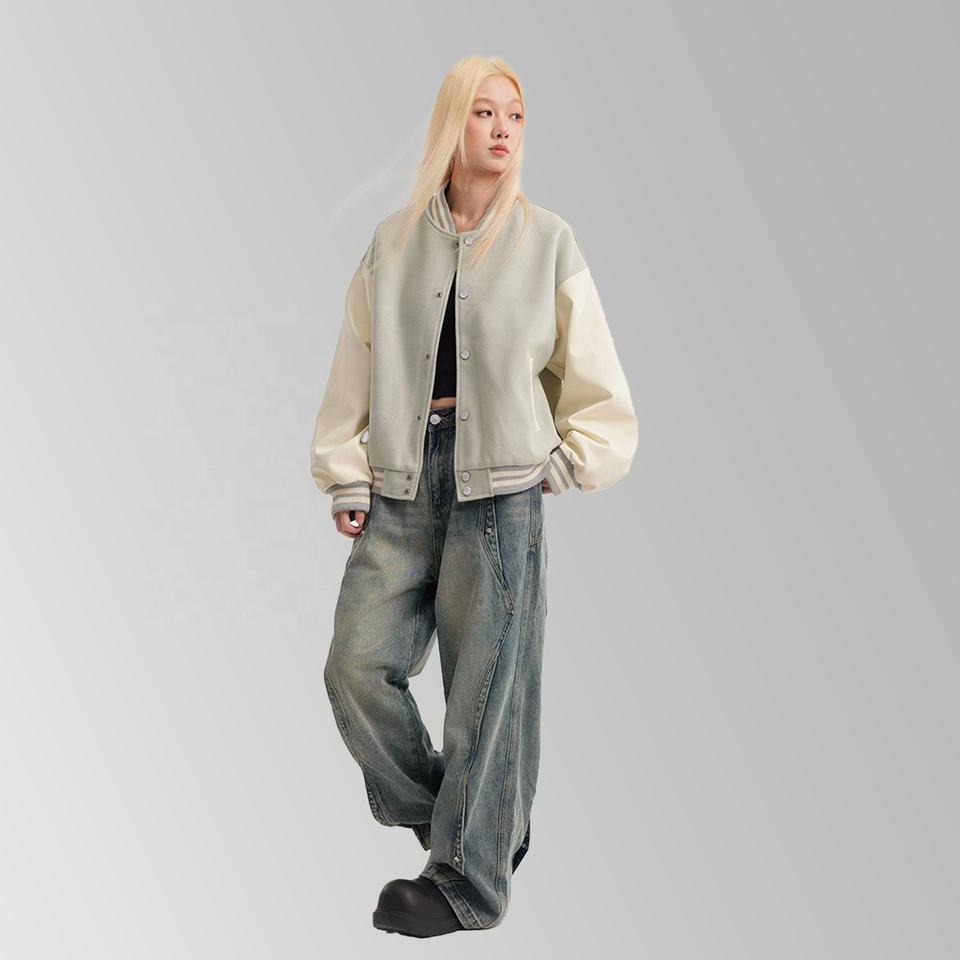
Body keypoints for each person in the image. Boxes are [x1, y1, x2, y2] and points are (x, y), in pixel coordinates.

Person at [309, 55, 638, 936]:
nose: (502, 129)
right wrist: (344, 471)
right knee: (354, 668)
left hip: (501, 490)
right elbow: (353, 368)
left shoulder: (549, 241)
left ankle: (467, 884)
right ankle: (471, 827)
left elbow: (599, 386)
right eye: (485, 112)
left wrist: (564, 463)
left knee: (485, 693)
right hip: (401, 481)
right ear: (450, 123)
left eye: (515, 115)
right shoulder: (391, 244)